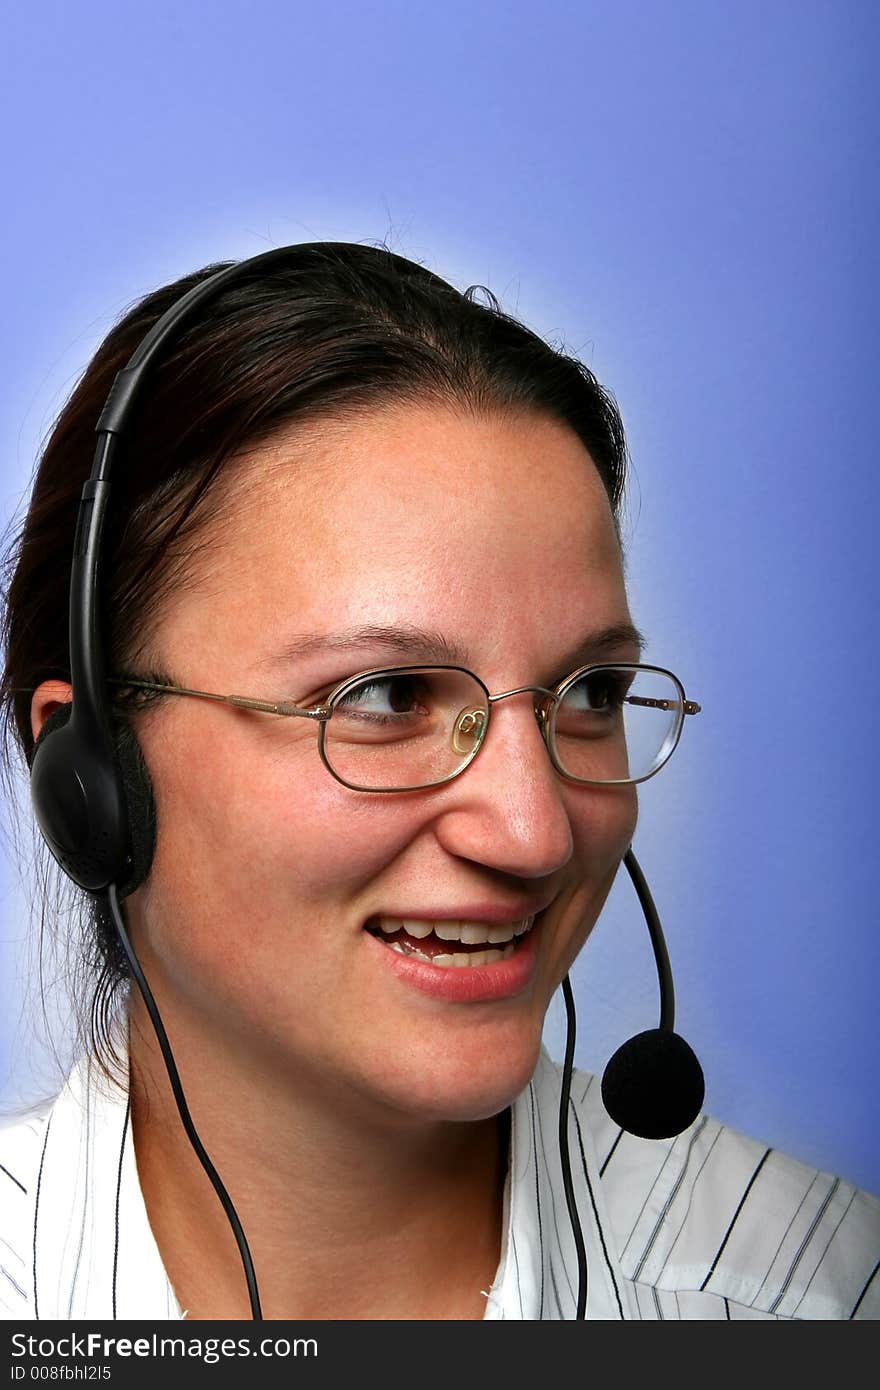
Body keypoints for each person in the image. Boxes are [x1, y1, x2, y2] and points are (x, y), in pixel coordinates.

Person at [0, 242, 877, 1322]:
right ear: (92, 781)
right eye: (382, 696)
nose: (533, 831)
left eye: (590, 690)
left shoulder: (827, 1295)